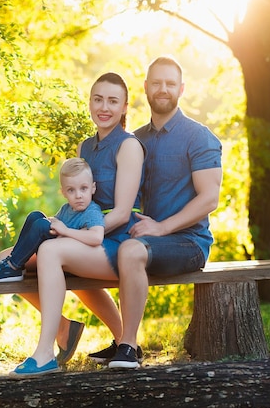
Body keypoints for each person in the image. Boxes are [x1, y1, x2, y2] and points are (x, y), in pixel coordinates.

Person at [0, 72, 145, 376]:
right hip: (83, 237)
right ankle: (69, 329)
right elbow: (78, 202)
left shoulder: (129, 146)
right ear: (90, 102)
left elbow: (120, 212)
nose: (104, 107)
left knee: (52, 252)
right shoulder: (85, 147)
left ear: (125, 107)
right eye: (98, 99)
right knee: (6, 259)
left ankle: (44, 354)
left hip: (115, 241)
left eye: (113, 101)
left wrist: (72, 235)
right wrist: (58, 225)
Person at [89, 56, 223, 369]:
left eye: (170, 83)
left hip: (187, 242)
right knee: (81, 249)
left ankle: (129, 346)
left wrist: (162, 228)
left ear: (181, 89)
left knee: (132, 251)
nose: (163, 89)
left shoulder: (198, 136)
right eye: (157, 83)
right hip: (139, 237)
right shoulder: (134, 140)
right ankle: (121, 338)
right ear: (146, 88)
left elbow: (209, 199)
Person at [0, 157, 105, 283]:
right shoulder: (67, 208)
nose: (78, 195)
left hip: (70, 256)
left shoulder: (92, 211)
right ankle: (15, 262)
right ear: (63, 192)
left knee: (41, 225)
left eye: (83, 188)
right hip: (57, 245)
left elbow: (97, 237)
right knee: (35, 216)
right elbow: (56, 224)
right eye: (71, 190)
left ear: (93, 188)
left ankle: (12, 266)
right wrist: (53, 221)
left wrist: (65, 231)